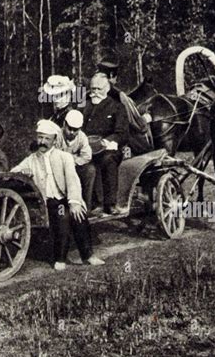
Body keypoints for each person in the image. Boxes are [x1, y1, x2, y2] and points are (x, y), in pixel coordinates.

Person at [11, 119, 104, 271]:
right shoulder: (31, 159)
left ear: (54, 140)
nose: (42, 142)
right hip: (48, 201)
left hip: (66, 197)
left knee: (79, 215)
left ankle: (88, 255)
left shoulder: (64, 157)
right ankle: (60, 258)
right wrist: (23, 172)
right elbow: (13, 172)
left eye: (46, 139)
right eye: (40, 137)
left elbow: (72, 181)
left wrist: (74, 202)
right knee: (63, 216)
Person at [83, 74, 129, 214]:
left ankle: (109, 204)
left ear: (107, 89)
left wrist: (107, 141)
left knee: (107, 160)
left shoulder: (117, 107)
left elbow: (122, 133)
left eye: (98, 89)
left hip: (109, 148)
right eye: (92, 89)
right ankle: (88, 203)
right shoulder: (85, 106)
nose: (95, 92)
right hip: (87, 146)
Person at [57, 110, 96, 212]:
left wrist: (73, 161)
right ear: (64, 124)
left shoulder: (82, 137)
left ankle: (86, 207)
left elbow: (87, 156)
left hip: (75, 166)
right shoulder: (57, 136)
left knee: (90, 170)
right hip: (60, 168)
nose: (72, 132)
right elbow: (54, 156)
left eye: (75, 130)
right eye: (70, 129)